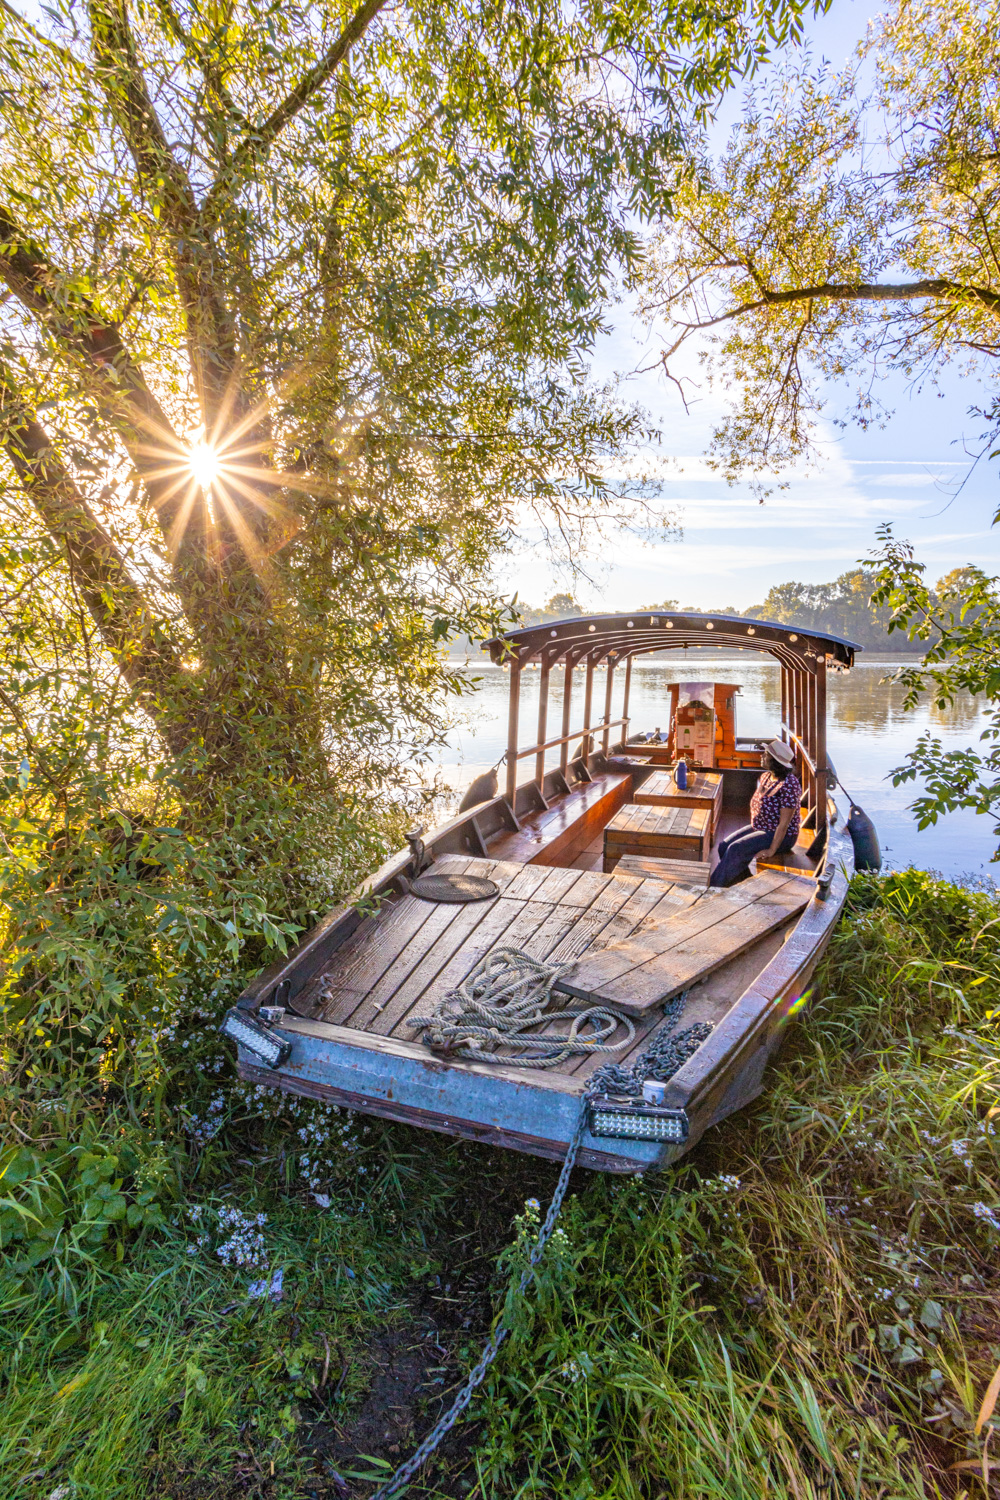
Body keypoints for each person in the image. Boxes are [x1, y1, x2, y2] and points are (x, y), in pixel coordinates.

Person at [710, 739, 802, 887]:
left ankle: (712, 888)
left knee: (735, 849)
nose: (761, 756)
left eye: (765, 755)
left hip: (780, 835)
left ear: (775, 762)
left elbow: (784, 825)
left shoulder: (789, 784)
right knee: (723, 846)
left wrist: (772, 849)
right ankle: (746, 882)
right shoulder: (766, 776)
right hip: (761, 827)